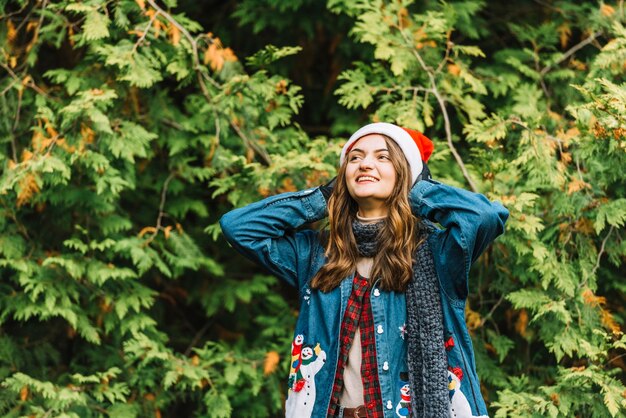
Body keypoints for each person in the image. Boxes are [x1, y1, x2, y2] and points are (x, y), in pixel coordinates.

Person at [220, 122, 509, 418]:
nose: (365, 164)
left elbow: (483, 217)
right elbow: (238, 228)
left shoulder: (436, 252)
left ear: (404, 173)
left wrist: (418, 189)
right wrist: (322, 198)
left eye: (382, 158)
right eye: (355, 158)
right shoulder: (316, 254)